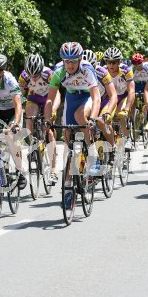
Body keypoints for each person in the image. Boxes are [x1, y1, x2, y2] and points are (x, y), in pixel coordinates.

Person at [44, 41, 101, 209]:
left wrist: (94, 118)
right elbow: (50, 98)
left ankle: (93, 154)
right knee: (69, 141)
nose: (69, 65)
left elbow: (96, 97)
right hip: (71, 98)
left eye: (73, 61)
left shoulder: (87, 70)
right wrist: (48, 120)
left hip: (87, 97)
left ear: (80, 59)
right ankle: (68, 186)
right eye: (66, 61)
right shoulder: (58, 73)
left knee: (80, 116)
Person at [0, 53, 27, 190]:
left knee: (11, 137)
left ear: (1, 73)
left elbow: (18, 105)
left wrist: (15, 124)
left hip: (12, 111)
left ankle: (21, 171)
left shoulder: (9, 80)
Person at [18, 53, 59, 183]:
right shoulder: (24, 77)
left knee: (49, 130)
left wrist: (53, 110)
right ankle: (31, 143)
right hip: (34, 97)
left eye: (36, 75)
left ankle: (53, 170)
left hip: (49, 98)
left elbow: (57, 95)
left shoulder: (49, 74)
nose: (34, 79)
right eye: (31, 76)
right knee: (29, 115)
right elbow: (21, 95)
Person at [82, 49, 118, 150]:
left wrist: (109, 112)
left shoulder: (102, 72)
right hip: (89, 101)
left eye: (90, 68)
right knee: (82, 119)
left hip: (104, 101)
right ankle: (90, 148)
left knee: (102, 121)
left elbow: (113, 95)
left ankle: (113, 146)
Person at [103, 47, 135, 150]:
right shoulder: (103, 71)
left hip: (123, 96)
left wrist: (127, 108)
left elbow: (131, 91)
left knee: (120, 113)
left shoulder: (126, 70)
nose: (111, 65)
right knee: (105, 117)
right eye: (108, 62)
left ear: (119, 61)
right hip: (109, 97)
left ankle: (127, 138)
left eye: (114, 62)